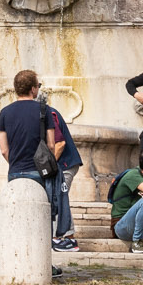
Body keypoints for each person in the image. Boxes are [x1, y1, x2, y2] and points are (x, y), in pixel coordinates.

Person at [40, 93, 86, 250]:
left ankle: (68, 238)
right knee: (57, 198)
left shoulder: (47, 114)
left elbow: (59, 144)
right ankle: (60, 236)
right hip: (61, 164)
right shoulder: (44, 112)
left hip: (64, 165)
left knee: (59, 198)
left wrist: (46, 167)